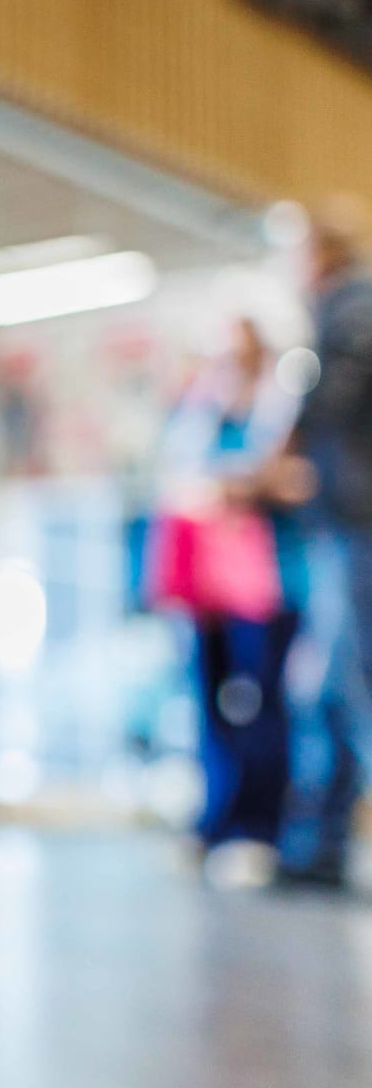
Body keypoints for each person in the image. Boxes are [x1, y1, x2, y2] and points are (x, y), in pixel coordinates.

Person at [157, 317, 306, 885]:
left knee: (261, 704)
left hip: (268, 586)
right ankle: (215, 821)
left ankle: (259, 828)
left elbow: (296, 482)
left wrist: (247, 486)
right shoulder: (200, 414)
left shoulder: (282, 410)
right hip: (206, 588)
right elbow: (176, 477)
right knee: (210, 704)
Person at [274, 198, 372, 886]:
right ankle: (318, 847)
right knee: (331, 687)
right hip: (344, 523)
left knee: (345, 685)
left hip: (355, 524)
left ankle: (320, 846)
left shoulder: (351, 310)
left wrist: (286, 455)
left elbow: (333, 405)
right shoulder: (339, 312)